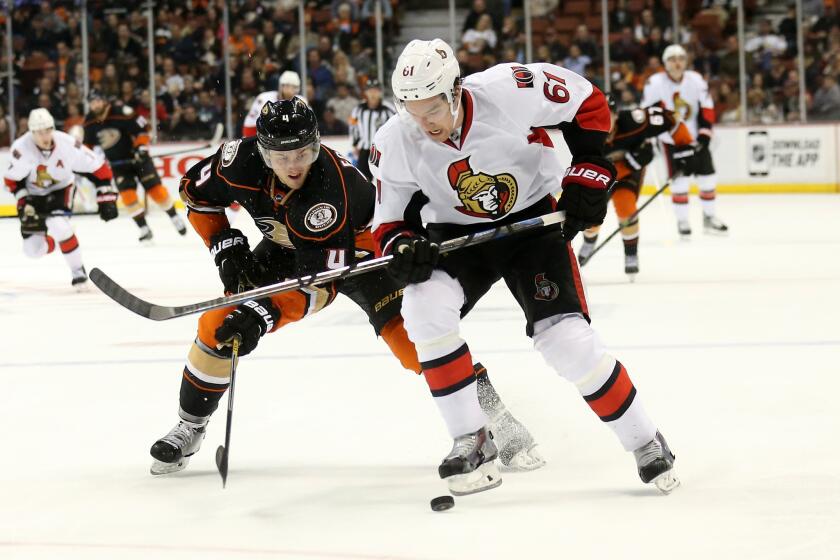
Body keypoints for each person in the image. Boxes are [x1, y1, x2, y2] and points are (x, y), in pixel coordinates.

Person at [149, 99, 544, 476]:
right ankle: (189, 427)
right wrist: (227, 249)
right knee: (218, 326)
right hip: (293, 248)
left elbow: (321, 284)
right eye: (282, 156)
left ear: (317, 145)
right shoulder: (237, 162)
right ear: (262, 152)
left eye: (303, 153)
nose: (293, 165)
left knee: (415, 345)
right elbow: (198, 199)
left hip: (367, 252)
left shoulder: (329, 189)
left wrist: (261, 314)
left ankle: (499, 419)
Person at [370, 39, 679, 496]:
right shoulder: (395, 139)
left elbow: (588, 101)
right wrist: (403, 248)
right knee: (421, 306)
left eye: (432, 107)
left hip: (533, 224)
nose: (424, 121)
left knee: (566, 341)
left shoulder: (510, 88)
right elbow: (388, 221)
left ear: (455, 90)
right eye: (411, 108)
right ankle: (471, 439)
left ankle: (645, 440)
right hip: (457, 238)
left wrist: (590, 167)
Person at [578, 93, 698, 276]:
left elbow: (671, 118)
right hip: (599, 173)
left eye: (608, 114)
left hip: (628, 170)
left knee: (626, 207)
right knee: (590, 214)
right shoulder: (582, 132)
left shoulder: (635, 121)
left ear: (617, 115)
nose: (603, 121)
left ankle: (631, 253)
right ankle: (589, 240)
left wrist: (685, 146)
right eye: (597, 115)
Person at [3, 108, 118, 288]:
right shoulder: (21, 148)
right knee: (33, 250)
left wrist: (107, 197)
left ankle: (77, 270)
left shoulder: (67, 144)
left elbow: (100, 168)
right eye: (40, 132)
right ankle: (61, 242)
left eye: (48, 130)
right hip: (34, 195)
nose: (45, 136)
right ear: (31, 132)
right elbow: (12, 180)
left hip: (61, 189)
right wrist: (23, 201)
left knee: (58, 225)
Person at [642, 44, 728, 235]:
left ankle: (709, 217)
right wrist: (649, 138)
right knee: (679, 181)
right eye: (673, 59)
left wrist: (705, 134)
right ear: (665, 63)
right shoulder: (655, 83)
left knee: (708, 177)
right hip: (671, 140)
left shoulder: (696, 80)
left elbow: (707, 107)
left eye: (681, 58)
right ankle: (682, 221)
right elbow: (648, 112)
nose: (677, 63)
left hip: (696, 137)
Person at [83, 90, 187, 242]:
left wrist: (141, 148)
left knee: (156, 192)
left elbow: (144, 128)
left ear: (104, 101)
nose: (95, 105)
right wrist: (91, 160)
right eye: (92, 103)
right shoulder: (89, 121)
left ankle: (174, 216)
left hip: (139, 159)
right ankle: (144, 228)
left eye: (97, 101)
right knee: (128, 196)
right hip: (118, 165)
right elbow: (88, 146)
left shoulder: (121, 112)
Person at [349, 79, 396, 180]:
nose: (373, 94)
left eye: (375, 90)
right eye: (370, 90)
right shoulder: (358, 109)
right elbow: (353, 127)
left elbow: (396, 128)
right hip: (364, 150)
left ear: (380, 92)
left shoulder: (388, 109)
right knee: (363, 180)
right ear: (365, 92)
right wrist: (355, 144)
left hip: (383, 151)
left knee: (385, 180)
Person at [241, 71, 306, 137]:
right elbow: (256, 123)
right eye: (287, 86)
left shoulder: (301, 101)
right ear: (281, 86)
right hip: (255, 131)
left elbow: (307, 122)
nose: (290, 90)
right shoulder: (264, 98)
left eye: (293, 87)